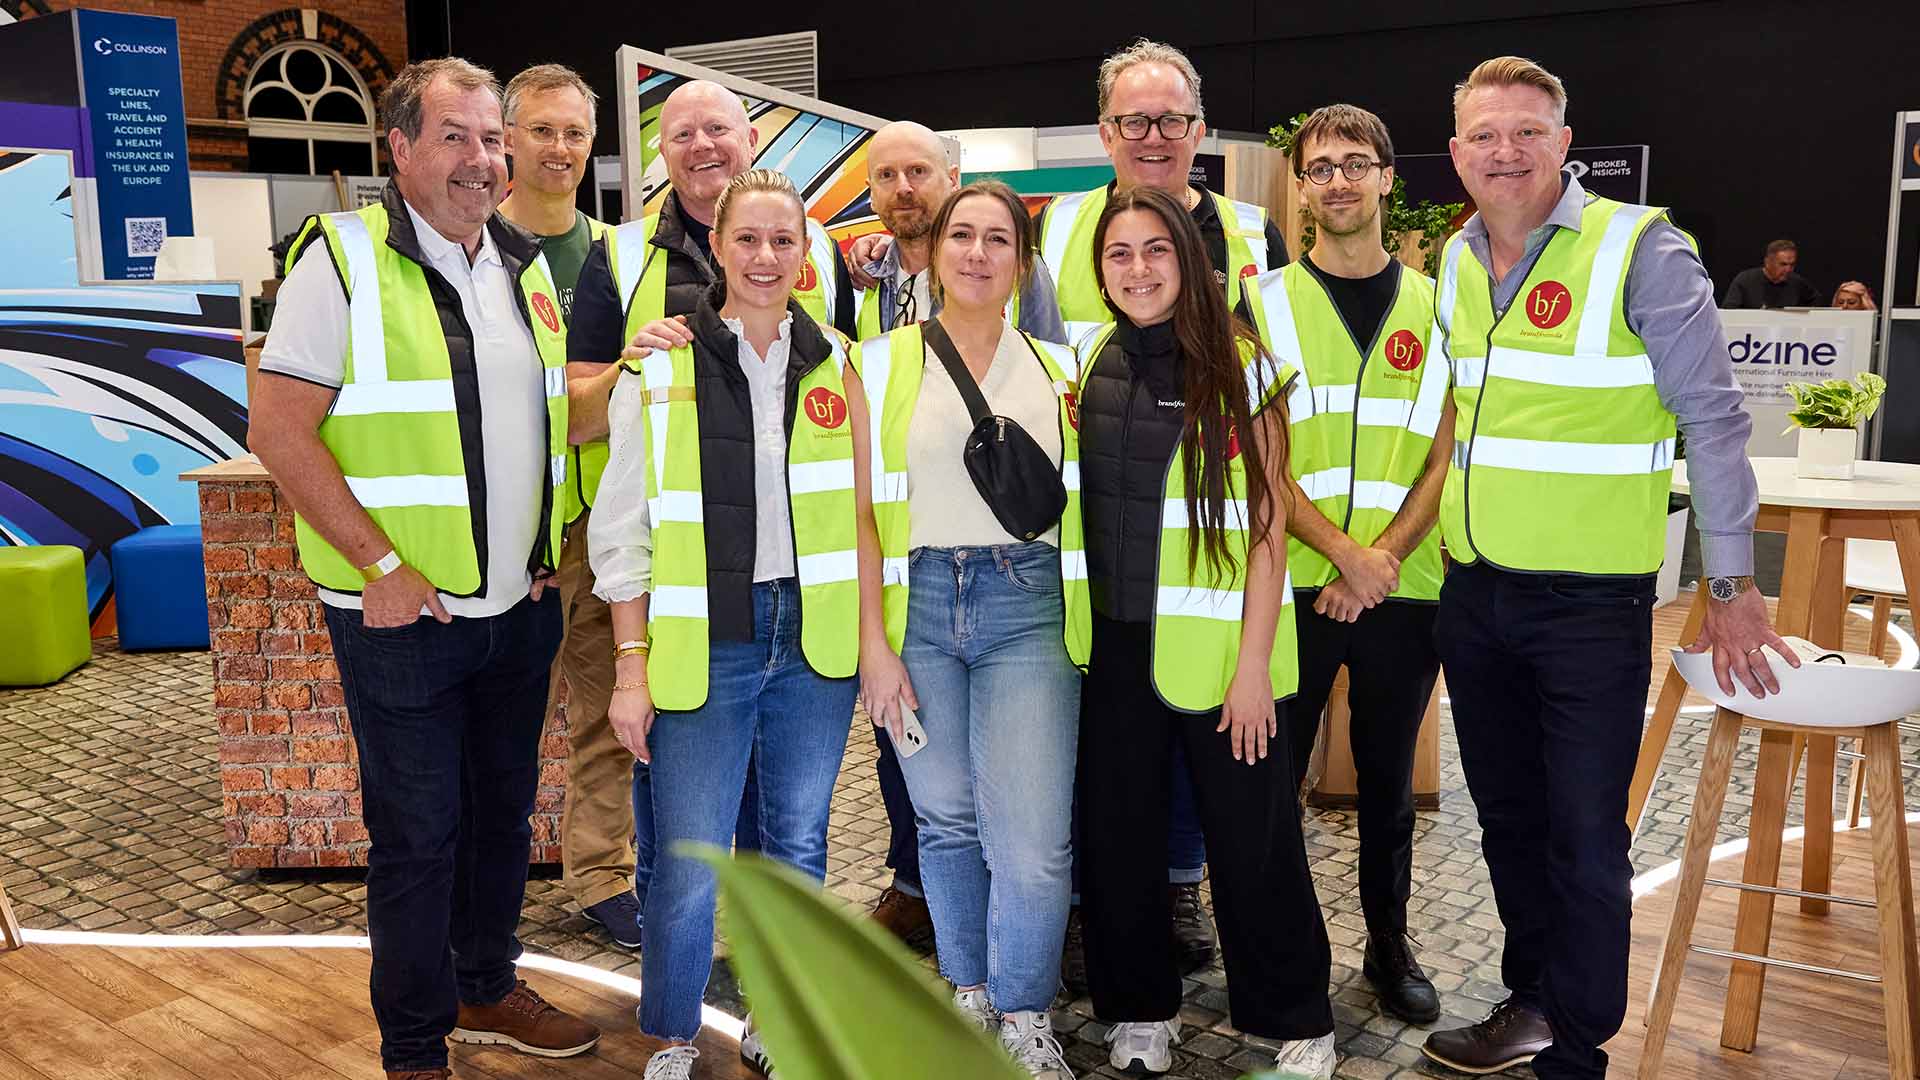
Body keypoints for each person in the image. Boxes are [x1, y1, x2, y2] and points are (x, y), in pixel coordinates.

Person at [1421, 57, 1796, 1080]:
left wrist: (1730, 582)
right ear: (1457, 154)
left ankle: (1576, 1055)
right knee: (1505, 822)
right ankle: (1534, 1002)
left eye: (1527, 132)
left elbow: (1714, 423)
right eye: (1485, 135)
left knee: (1584, 838)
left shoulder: (1642, 249)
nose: (1506, 152)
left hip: (1589, 607)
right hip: (1476, 593)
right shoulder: (1453, 261)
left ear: (1562, 144)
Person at [249, 57, 600, 1080]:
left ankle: (485, 986)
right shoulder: (342, 261)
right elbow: (280, 428)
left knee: (501, 818)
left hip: (515, 609)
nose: (481, 160)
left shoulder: (524, 267)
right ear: (398, 149)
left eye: (491, 139)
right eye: (455, 136)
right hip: (401, 616)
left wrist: (546, 548)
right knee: (417, 837)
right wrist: (382, 564)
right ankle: (413, 1047)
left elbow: (534, 424)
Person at [562, 78, 856, 942]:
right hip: (666, 567)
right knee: (652, 762)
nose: (702, 146)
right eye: (682, 132)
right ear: (660, 148)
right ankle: (668, 930)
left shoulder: (823, 256)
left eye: (718, 129)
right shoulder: (616, 259)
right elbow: (578, 411)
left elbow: (835, 398)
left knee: (778, 790)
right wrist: (630, 367)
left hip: (784, 576)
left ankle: (765, 945)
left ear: (750, 136)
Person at [591, 168, 864, 1080]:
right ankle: (672, 1035)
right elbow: (620, 533)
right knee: (689, 854)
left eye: (784, 240)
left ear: (806, 254)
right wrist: (631, 670)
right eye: (747, 238)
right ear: (717, 246)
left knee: (794, 846)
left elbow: (868, 517)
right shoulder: (659, 368)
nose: (764, 256)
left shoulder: (841, 364)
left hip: (812, 640)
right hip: (705, 638)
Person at [1075, 185, 1336, 1080]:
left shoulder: (1244, 366)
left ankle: (1297, 1015)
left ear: (1189, 260)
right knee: (1119, 837)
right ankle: (1140, 1009)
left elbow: (1270, 527)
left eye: (1157, 250)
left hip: (1229, 652)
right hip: (1114, 649)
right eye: (1120, 253)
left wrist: (1255, 667)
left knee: (1252, 841)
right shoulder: (1090, 359)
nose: (1138, 269)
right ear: (1100, 270)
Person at [852, 179, 1086, 1080]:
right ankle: (971, 993)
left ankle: (1025, 1014)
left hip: (1025, 606)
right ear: (935, 250)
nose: (978, 253)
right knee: (945, 821)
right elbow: (865, 516)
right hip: (916, 606)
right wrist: (874, 641)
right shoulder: (875, 363)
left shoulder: (1065, 366)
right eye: (962, 236)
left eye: (998, 239)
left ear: (1022, 262)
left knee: (1030, 837)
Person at [1244, 103, 1448, 1026]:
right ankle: (1279, 953)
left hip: (1406, 587)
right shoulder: (1263, 303)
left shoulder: (1438, 304)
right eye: (1319, 167)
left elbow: (1446, 449)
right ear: (1301, 186)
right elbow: (1261, 457)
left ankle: (1388, 945)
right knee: (1272, 783)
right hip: (1290, 582)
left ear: (1386, 177)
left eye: (1354, 164)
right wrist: (1339, 555)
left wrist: (1382, 559)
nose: (1337, 181)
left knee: (1387, 785)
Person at [496, 62, 638, 949]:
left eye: (575, 133)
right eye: (541, 130)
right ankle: (489, 882)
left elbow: (607, 405)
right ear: (505, 136)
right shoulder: (470, 244)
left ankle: (599, 876)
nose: (559, 148)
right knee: (496, 719)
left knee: (605, 713)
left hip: (588, 524)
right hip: (497, 525)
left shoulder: (618, 255)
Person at [1035, 38, 1290, 346]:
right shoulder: (1050, 230)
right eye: (1135, 122)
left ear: (1196, 135)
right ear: (1107, 137)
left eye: (1171, 121)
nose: (1154, 138)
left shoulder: (1257, 237)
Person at [1722, 238, 1823, 308]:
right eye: (1783, 264)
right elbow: (1729, 311)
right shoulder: (1745, 280)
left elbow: (1816, 302)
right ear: (1767, 262)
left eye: (1792, 265)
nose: (1788, 270)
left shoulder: (1797, 283)